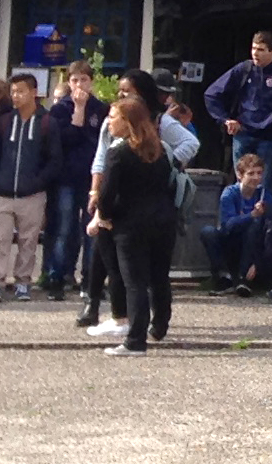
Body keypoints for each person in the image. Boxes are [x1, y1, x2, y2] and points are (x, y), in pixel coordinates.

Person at [82, 72, 199, 337]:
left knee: (145, 273)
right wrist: (94, 193)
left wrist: (171, 161)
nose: (122, 95)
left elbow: (190, 143)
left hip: (137, 210)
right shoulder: (115, 134)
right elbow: (101, 159)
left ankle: (143, 327)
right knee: (110, 261)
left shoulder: (156, 131)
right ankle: (106, 310)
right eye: (120, 91)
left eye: (128, 91)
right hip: (125, 205)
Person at [91, 97, 181, 355]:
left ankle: (135, 340)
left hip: (131, 225)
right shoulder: (160, 149)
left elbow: (107, 193)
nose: (109, 121)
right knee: (159, 277)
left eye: (114, 116)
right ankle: (160, 325)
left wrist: (104, 215)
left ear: (127, 121)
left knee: (135, 282)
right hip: (163, 221)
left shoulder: (118, 152)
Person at [0, 72, 56, 303]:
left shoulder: (46, 122)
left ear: (34, 93)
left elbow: (54, 159)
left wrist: (38, 182)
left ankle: (23, 282)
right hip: (2, 192)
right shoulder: (4, 121)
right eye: (13, 91)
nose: (16, 96)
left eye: (21, 91)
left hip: (32, 194)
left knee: (28, 241)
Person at [41, 62, 111, 300]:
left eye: (83, 80)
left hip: (91, 178)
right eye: (74, 80)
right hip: (66, 178)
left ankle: (91, 280)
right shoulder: (60, 110)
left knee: (92, 230)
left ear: (91, 82)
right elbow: (65, 140)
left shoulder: (102, 109)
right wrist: (78, 113)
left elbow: (99, 144)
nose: (79, 85)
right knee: (64, 229)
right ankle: (57, 278)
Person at [205, 31, 272, 200]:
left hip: (269, 138)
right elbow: (212, 94)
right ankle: (238, 219)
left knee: (264, 183)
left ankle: (263, 222)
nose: (256, 53)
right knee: (241, 182)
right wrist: (225, 119)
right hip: (243, 134)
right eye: (254, 48)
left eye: (261, 49)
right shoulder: (244, 69)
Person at [211, 152, 272, 296]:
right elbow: (227, 226)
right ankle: (224, 277)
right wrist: (251, 215)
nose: (256, 178)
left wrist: (257, 262)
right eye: (251, 173)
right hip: (232, 240)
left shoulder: (264, 194)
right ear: (240, 175)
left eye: (259, 173)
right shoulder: (230, 193)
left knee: (255, 228)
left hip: (255, 244)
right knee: (208, 232)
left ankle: (243, 279)